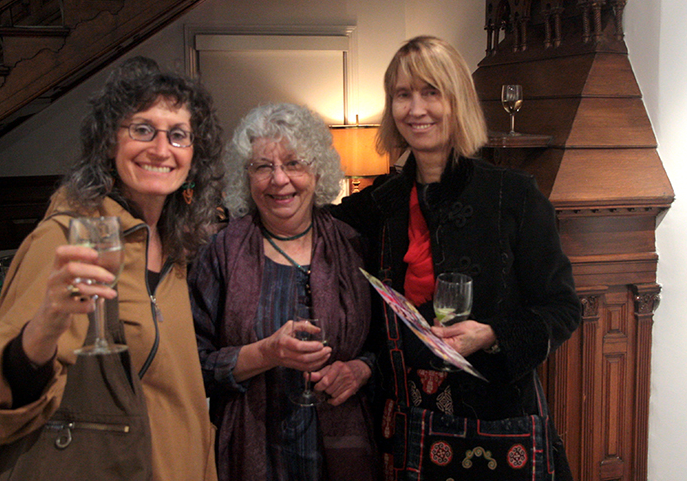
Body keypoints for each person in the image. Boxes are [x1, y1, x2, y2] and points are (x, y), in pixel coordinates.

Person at [0, 56, 221, 480]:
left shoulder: (173, 246)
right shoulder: (68, 239)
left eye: (178, 135)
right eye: (142, 129)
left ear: (194, 154)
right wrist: (43, 328)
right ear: (108, 142)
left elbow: (178, 397)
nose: (161, 149)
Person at [331, 36, 581, 480]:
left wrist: (491, 333)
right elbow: (310, 224)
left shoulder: (513, 195)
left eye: (431, 92)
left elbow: (563, 309)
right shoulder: (380, 203)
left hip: (496, 429)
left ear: (457, 100)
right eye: (403, 95)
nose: (416, 109)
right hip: (405, 429)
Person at [188, 102, 378, 481]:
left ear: (317, 171)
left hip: (344, 450)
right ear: (246, 176)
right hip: (249, 450)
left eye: (294, 163)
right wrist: (265, 354)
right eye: (263, 166)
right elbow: (191, 365)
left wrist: (361, 369)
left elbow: (385, 345)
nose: (279, 179)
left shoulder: (353, 246)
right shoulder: (221, 253)